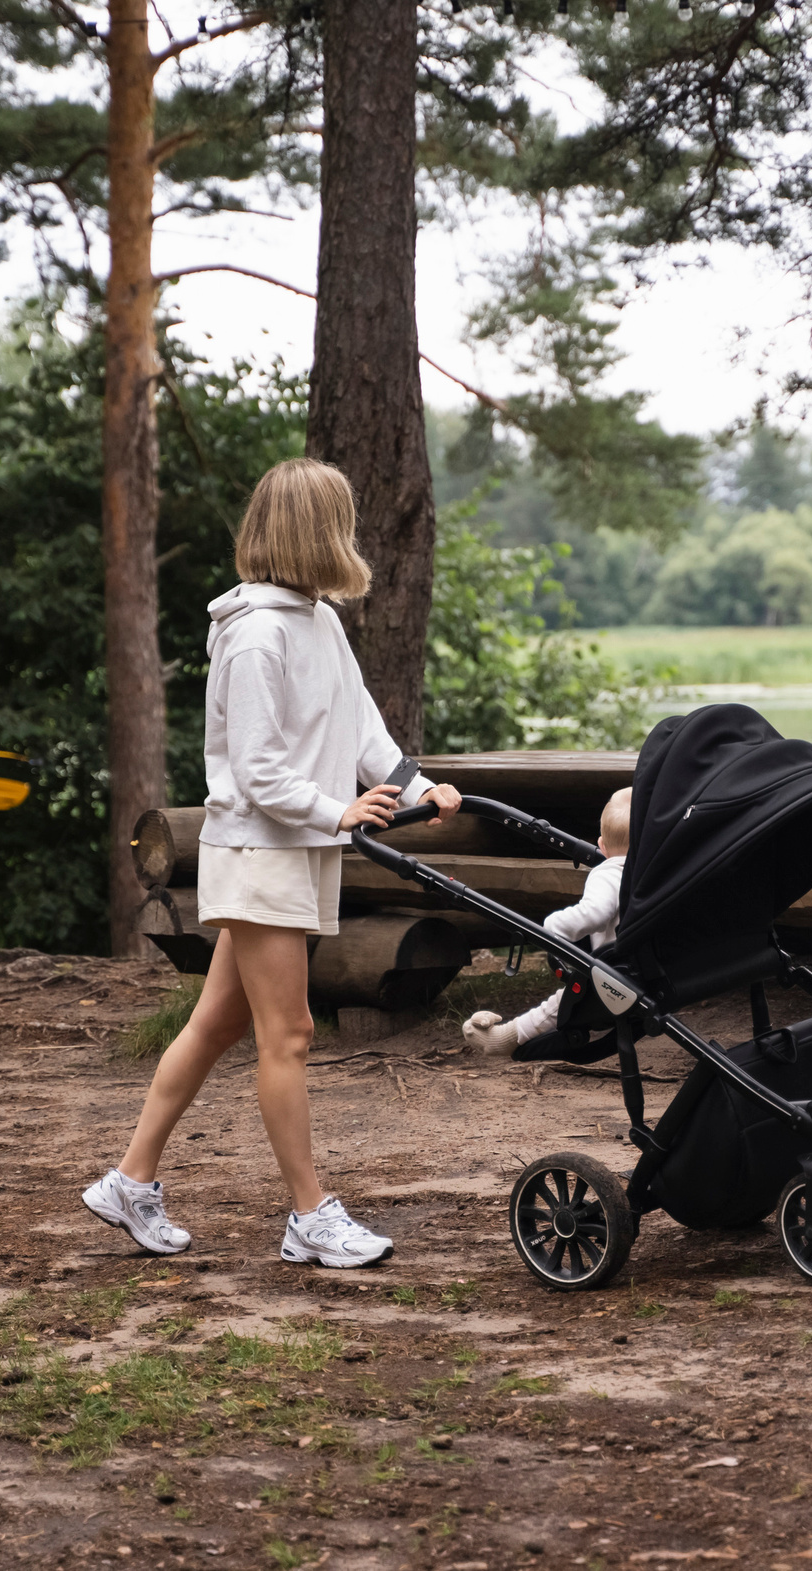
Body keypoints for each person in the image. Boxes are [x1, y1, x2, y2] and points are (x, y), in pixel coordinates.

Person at [82, 458, 460, 1268]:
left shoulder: (318, 621)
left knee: (216, 1023)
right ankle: (309, 1214)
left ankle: (128, 1181)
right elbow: (255, 770)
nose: (349, 536)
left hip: (294, 852)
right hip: (260, 853)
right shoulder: (256, 633)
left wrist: (419, 787)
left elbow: (364, 734)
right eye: (341, 520)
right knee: (288, 1032)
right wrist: (338, 811)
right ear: (314, 530)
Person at [461, 788, 630, 1054]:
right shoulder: (657, 872)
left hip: (618, 976)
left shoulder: (608, 873)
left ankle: (505, 1038)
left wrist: (554, 926)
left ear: (601, 846)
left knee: (563, 1002)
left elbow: (595, 913)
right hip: (655, 964)